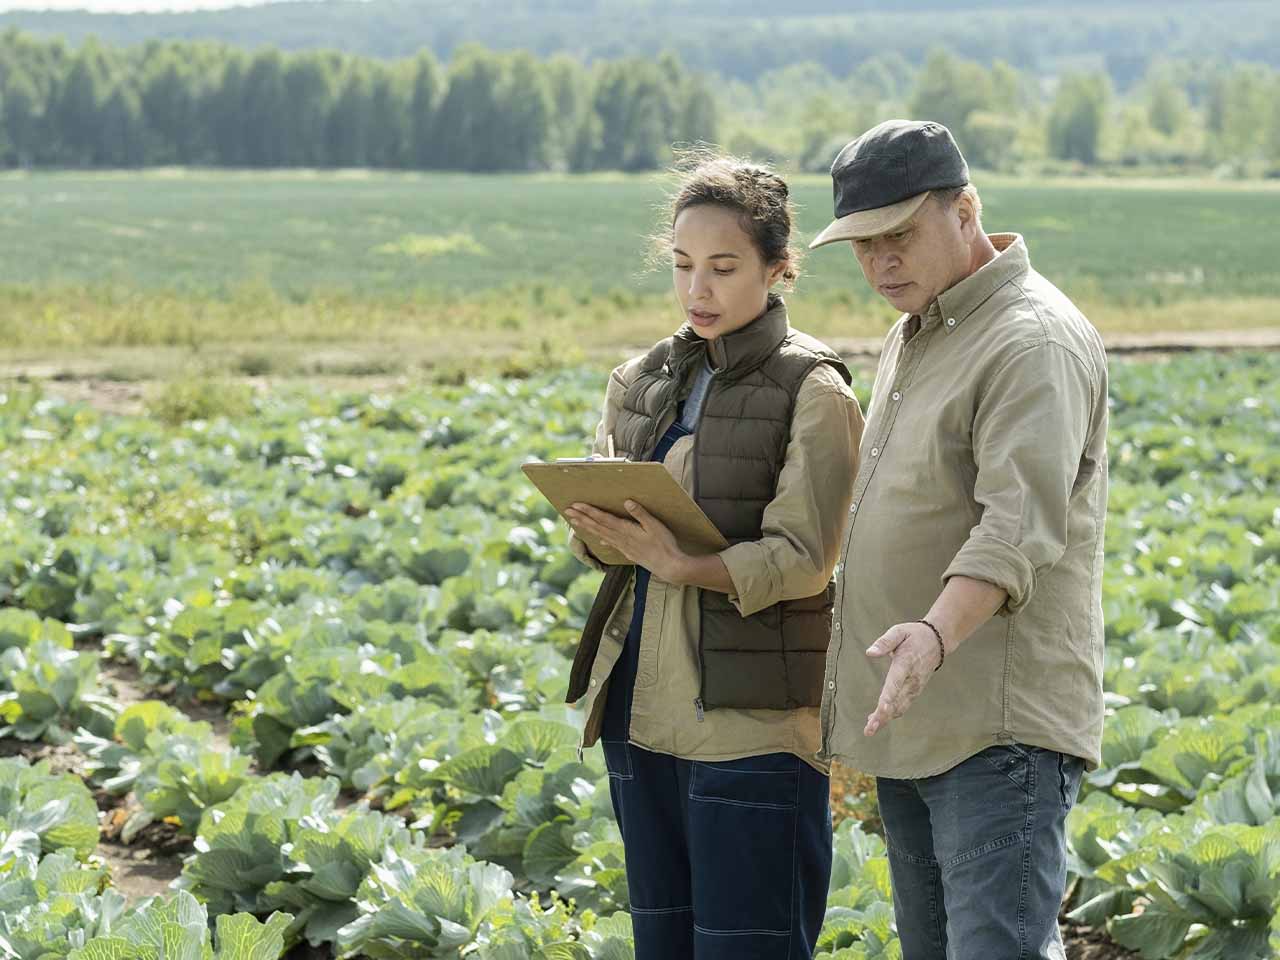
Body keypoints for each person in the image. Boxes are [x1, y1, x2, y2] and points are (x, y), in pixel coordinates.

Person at [807, 119, 1109, 960]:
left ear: (965, 209)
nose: (881, 263)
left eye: (899, 235)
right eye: (862, 246)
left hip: (994, 725)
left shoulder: (1030, 339)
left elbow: (1017, 524)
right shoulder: (920, 330)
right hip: (913, 713)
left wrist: (935, 633)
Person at [561, 152, 864, 960]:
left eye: (724, 268)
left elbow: (807, 556)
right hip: (637, 713)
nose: (699, 289)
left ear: (777, 268)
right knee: (663, 945)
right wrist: (593, 524)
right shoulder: (640, 378)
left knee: (750, 947)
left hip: (752, 726)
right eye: (683, 266)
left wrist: (688, 566)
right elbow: (604, 543)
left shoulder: (815, 388)